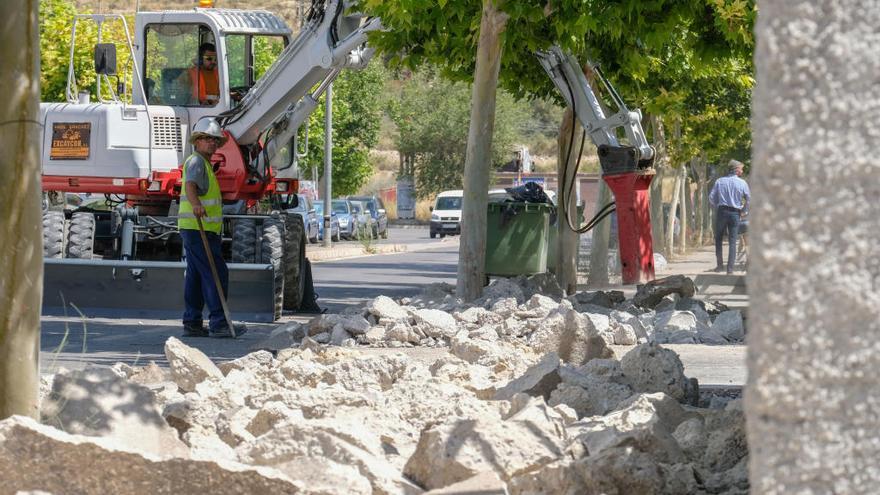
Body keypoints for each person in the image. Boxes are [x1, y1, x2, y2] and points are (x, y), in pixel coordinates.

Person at [177, 118, 244, 338]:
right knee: (215, 273)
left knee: (196, 276)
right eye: (207, 139)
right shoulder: (196, 162)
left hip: (201, 229)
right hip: (198, 229)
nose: (212, 143)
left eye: (214, 140)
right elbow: (190, 186)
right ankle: (219, 322)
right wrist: (196, 204)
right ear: (197, 141)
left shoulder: (203, 163)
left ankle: (192, 322)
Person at [709, 159, 750, 274]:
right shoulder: (742, 183)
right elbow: (748, 199)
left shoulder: (719, 181)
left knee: (718, 239)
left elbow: (711, 198)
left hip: (722, 212)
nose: (742, 171)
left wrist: (718, 205)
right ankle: (730, 269)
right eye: (741, 169)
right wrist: (744, 211)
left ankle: (719, 266)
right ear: (736, 170)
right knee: (733, 241)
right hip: (735, 214)